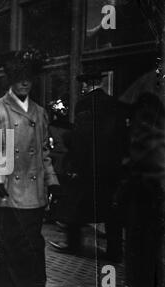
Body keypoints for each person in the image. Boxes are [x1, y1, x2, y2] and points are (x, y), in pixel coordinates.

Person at [0, 47, 60, 287]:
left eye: (29, 76)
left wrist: (52, 182)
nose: (24, 81)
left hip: (32, 196)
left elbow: (43, 153)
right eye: (20, 76)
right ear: (10, 78)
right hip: (2, 196)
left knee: (29, 247)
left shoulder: (40, 113)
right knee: (0, 248)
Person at [48, 71, 129, 263]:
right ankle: (114, 251)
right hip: (110, 166)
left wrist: (72, 155)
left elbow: (82, 137)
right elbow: (121, 136)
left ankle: (73, 244)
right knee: (111, 211)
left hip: (87, 165)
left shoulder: (84, 104)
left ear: (85, 85)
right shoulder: (113, 104)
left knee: (73, 204)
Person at [110, 92, 165, 287]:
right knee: (144, 247)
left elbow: (140, 165)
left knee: (143, 246)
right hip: (147, 195)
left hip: (147, 196)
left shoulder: (147, 137)